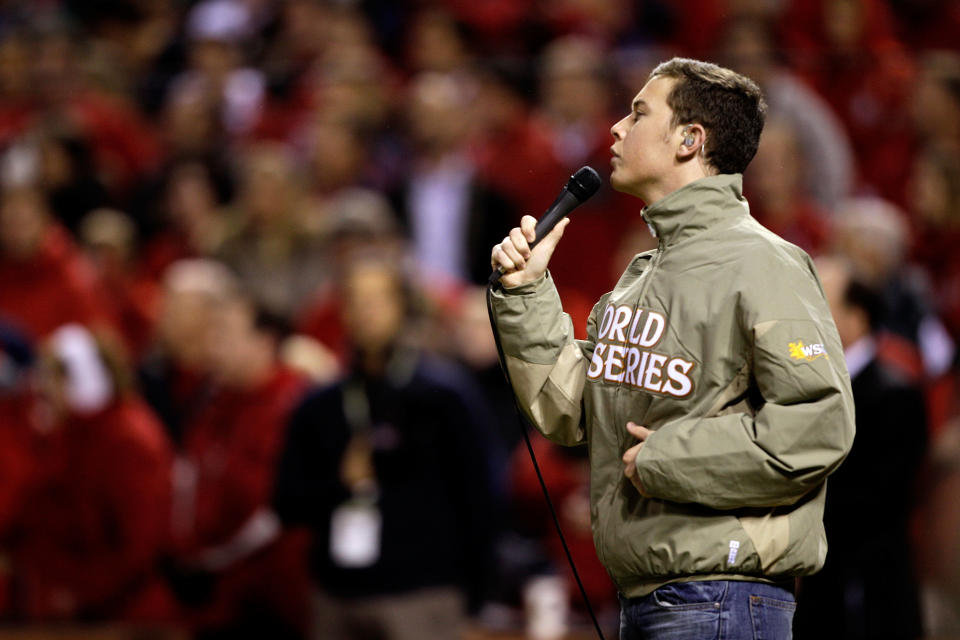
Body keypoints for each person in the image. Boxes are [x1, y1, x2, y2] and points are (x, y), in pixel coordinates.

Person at [489, 57, 855, 638]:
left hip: (721, 598)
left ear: (691, 139)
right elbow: (571, 412)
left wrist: (670, 458)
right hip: (655, 598)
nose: (615, 129)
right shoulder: (642, 275)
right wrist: (526, 292)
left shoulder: (763, 262)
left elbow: (819, 424)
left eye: (637, 113)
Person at [794, 257, 926, 639]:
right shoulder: (802, 387)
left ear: (856, 317)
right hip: (820, 594)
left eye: (820, 303)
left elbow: (882, 499)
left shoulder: (895, 394)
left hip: (868, 595)